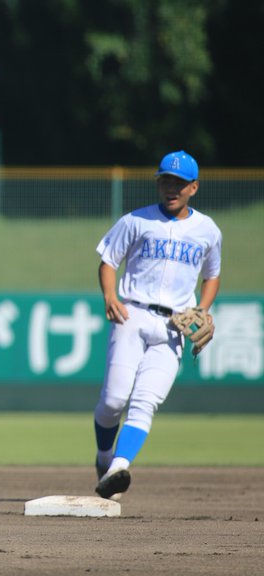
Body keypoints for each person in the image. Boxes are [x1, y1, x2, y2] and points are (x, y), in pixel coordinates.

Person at [92, 150, 222, 500]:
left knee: (146, 400)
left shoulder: (207, 230)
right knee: (114, 399)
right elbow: (108, 261)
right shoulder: (136, 220)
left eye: (179, 183)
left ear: (193, 187)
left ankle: (119, 467)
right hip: (131, 315)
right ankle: (104, 458)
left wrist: (203, 309)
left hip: (174, 327)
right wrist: (109, 296)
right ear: (158, 183)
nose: (171, 188)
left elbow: (212, 274)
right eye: (166, 180)